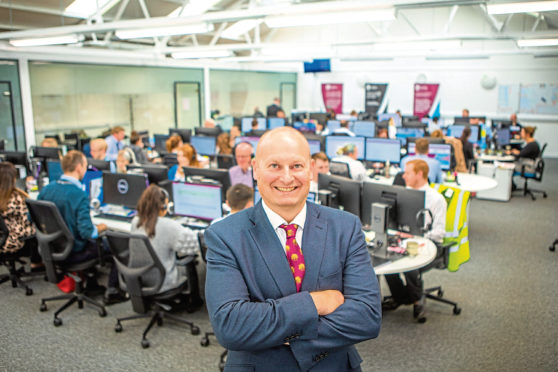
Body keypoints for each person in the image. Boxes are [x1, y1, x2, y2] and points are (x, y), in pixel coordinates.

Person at [205, 127, 381, 371]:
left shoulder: (345, 226)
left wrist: (280, 332)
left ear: (310, 169)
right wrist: (315, 302)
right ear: (256, 169)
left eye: (296, 166)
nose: (286, 178)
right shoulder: (225, 235)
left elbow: (367, 317)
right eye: (274, 166)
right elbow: (231, 327)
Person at [37, 151, 126, 304]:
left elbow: (32, 218)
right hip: (74, 251)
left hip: (52, 248)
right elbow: (87, 233)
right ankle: (113, 290)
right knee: (117, 245)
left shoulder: (46, 189)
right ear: (79, 168)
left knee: (95, 241)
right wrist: (101, 228)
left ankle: (92, 284)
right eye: (85, 166)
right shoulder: (79, 194)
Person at [383, 159, 447, 322]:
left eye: (407, 172)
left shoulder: (436, 199)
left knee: (410, 260)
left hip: (429, 244)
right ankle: (401, 297)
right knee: (385, 256)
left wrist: (416, 237)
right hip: (404, 239)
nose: (403, 176)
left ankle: (417, 300)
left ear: (419, 174)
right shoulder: (402, 194)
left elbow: (439, 233)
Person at [131, 185, 199, 294]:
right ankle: (195, 301)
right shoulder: (168, 226)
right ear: (162, 207)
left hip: (139, 277)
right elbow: (193, 246)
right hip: (164, 282)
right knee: (189, 259)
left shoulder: (136, 221)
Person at [0, 162, 42, 269]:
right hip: (13, 241)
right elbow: (27, 220)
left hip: (2, 238)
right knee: (41, 228)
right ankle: (36, 263)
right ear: (13, 179)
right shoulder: (16, 197)